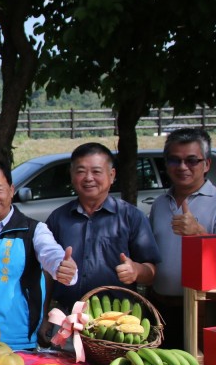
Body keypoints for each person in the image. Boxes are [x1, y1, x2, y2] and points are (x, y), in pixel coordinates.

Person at [0, 159, 77, 350]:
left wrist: (61, 267)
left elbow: (51, 253)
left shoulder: (33, 230)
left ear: (11, 190)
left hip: (18, 341)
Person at [45, 142, 161, 316]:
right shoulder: (58, 219)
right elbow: (45, 274)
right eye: (81, 171)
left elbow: (151, 273)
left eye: (96, 171)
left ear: (112, 175)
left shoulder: (130, 217)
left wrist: (136, 270)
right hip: (67, 318)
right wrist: (45, 315)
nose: (88, 178)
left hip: (117, 320)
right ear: (72, 175)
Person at [149, 128, 216, 349]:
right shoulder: (159, 204)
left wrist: (200, 233)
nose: (182, 167)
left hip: (205, 312)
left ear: (206, 164)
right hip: (160, 309)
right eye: (175, 160)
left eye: (191, 160)